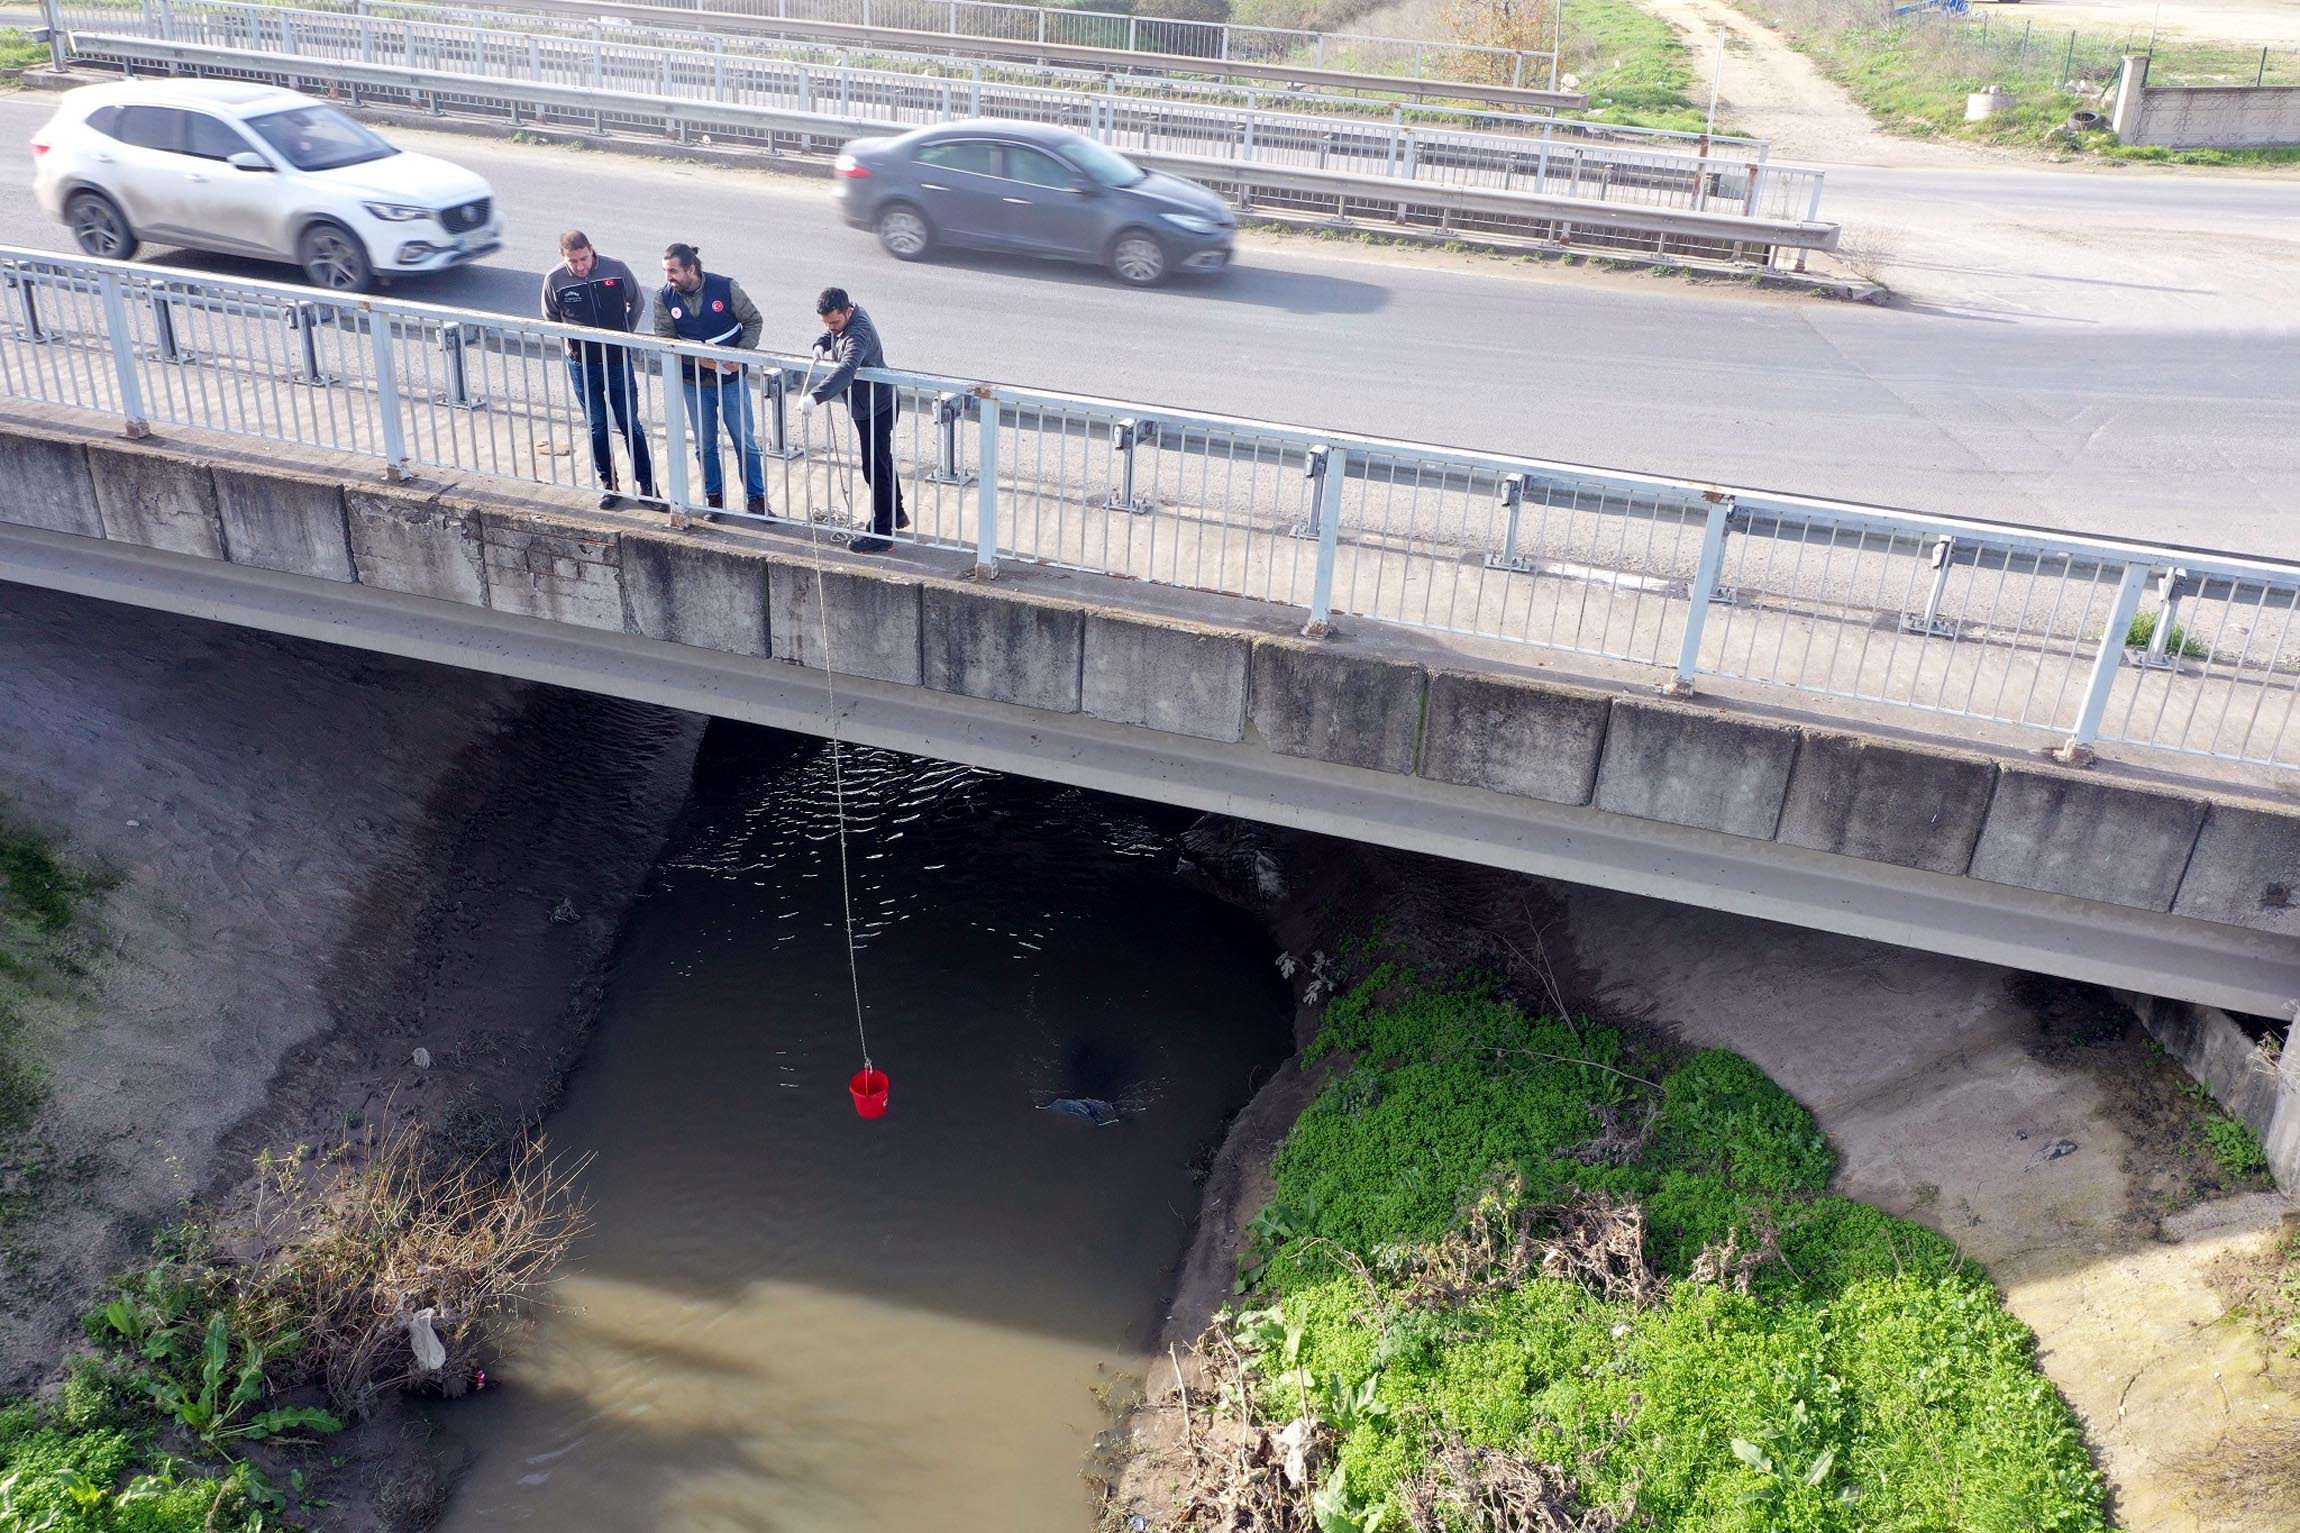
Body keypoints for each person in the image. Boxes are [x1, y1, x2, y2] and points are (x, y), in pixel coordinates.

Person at [541, 231, 654, 511]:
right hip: (582, 364)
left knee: (630, 423)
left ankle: (648, 487)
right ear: (563, 256)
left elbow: (637, 302)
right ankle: (609, 484)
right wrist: (573, 344)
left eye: (584, 258)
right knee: (597, 425)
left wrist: (624, 335)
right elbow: (551, 317)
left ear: (592, 250)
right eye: (573, 261)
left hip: (617, 360)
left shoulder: (616, 269)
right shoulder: (555, 280)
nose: (581, 266)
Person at [654, 243, 766, 519]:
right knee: (705, 445)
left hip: (731, 381)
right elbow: (665, 340)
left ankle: (757, 499)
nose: (668, 277)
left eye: (673, 271)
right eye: (666, 271)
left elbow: (753, 321)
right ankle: (713, 499)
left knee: (745, 442)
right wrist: (695, 360)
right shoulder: (664, 297)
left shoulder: (726, 288)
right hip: (694, 384)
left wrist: (740, 354)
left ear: (691, 269)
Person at [801, 287, 906, 554]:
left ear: (848, 311)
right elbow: (833, 334)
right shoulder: (846, 318)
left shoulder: (858, 333)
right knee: (881, 461)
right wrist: (821, 344)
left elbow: (847, 369)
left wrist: (815, 396)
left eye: (834, 322)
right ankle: (896, 513)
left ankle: (882, 534)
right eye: (825, 323)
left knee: (875, 468)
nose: (831, 327)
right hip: (869, 404)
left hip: (877, 407)